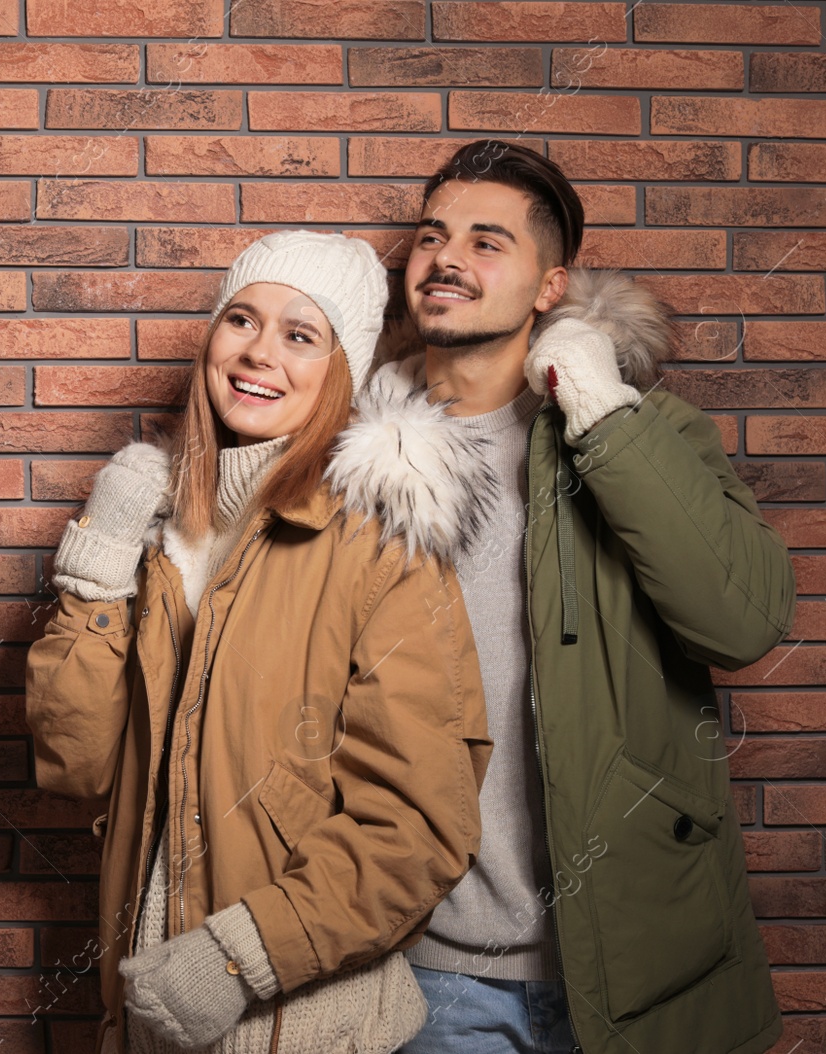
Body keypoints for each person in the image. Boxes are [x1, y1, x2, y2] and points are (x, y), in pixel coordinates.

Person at [323, 139, 793, 1054]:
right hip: (426, 970)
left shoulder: (643, 431)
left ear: (551, 287)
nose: (447, 257)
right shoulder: (349, 455)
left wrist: (594, 398)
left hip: (633, 957)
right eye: (432, 235)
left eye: (487, 241)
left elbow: (742, 621)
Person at [25, 230, 494, 1054]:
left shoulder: (382, 546)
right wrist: (99, 566)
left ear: (339, 368)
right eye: (240, 319)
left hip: (304, 1025)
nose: (258, 352)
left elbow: (420, 828)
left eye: (300, 334)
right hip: (150, 1011)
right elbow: (78, 763)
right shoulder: (160, 529)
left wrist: (236, 960)